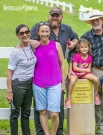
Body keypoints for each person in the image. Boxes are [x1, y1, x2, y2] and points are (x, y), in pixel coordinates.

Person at [30, 6, 79, 135]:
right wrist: (31, 41)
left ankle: (58, 132)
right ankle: (41, 132)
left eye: (57, 15)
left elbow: (76, 38)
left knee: (56, 110)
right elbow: (26, 37)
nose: (55, 18)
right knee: (41, 110)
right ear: (49, 16)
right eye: (53, 15)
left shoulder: (66, 29)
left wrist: (74, 43)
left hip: (56, 78)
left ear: (61, 17)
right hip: (40, 79)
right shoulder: (40, 27)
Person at [32, 22, 65, 135]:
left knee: (54, 114)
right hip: (38, 83)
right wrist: (32, 42)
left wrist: (63, 82)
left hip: (55, 83)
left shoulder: (56, 45)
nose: (45, 34)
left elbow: (62, 64)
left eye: (47, 31)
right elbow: (22, 42)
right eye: (42, 31)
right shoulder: (34, 47)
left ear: (49, 32)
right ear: (38, 33)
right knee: (43, 111)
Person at [6, 24, 37, 135]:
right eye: (21, 33)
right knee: (15, 113)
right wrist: (9, 91)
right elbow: (9, 73)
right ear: (17, 36)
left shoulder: (31, 46)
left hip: (30, 84)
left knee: (26, 114)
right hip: (18, 84)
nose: (25, 35)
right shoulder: (16, 52)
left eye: (26, 32)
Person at [65, 38, 101, 108]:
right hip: (75, 73)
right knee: (72, 81)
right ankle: (68, 99)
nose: (84, 49)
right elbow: (75, 68)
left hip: (84, 74)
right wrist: (85, 70)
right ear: (78, 48)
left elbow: (89, 68)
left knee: (96, 79)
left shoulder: (90, 57)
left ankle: (96, 95)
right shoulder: (77, 56)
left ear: (88, 48)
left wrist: (87, 71)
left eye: (86, 47)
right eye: (82, 47)